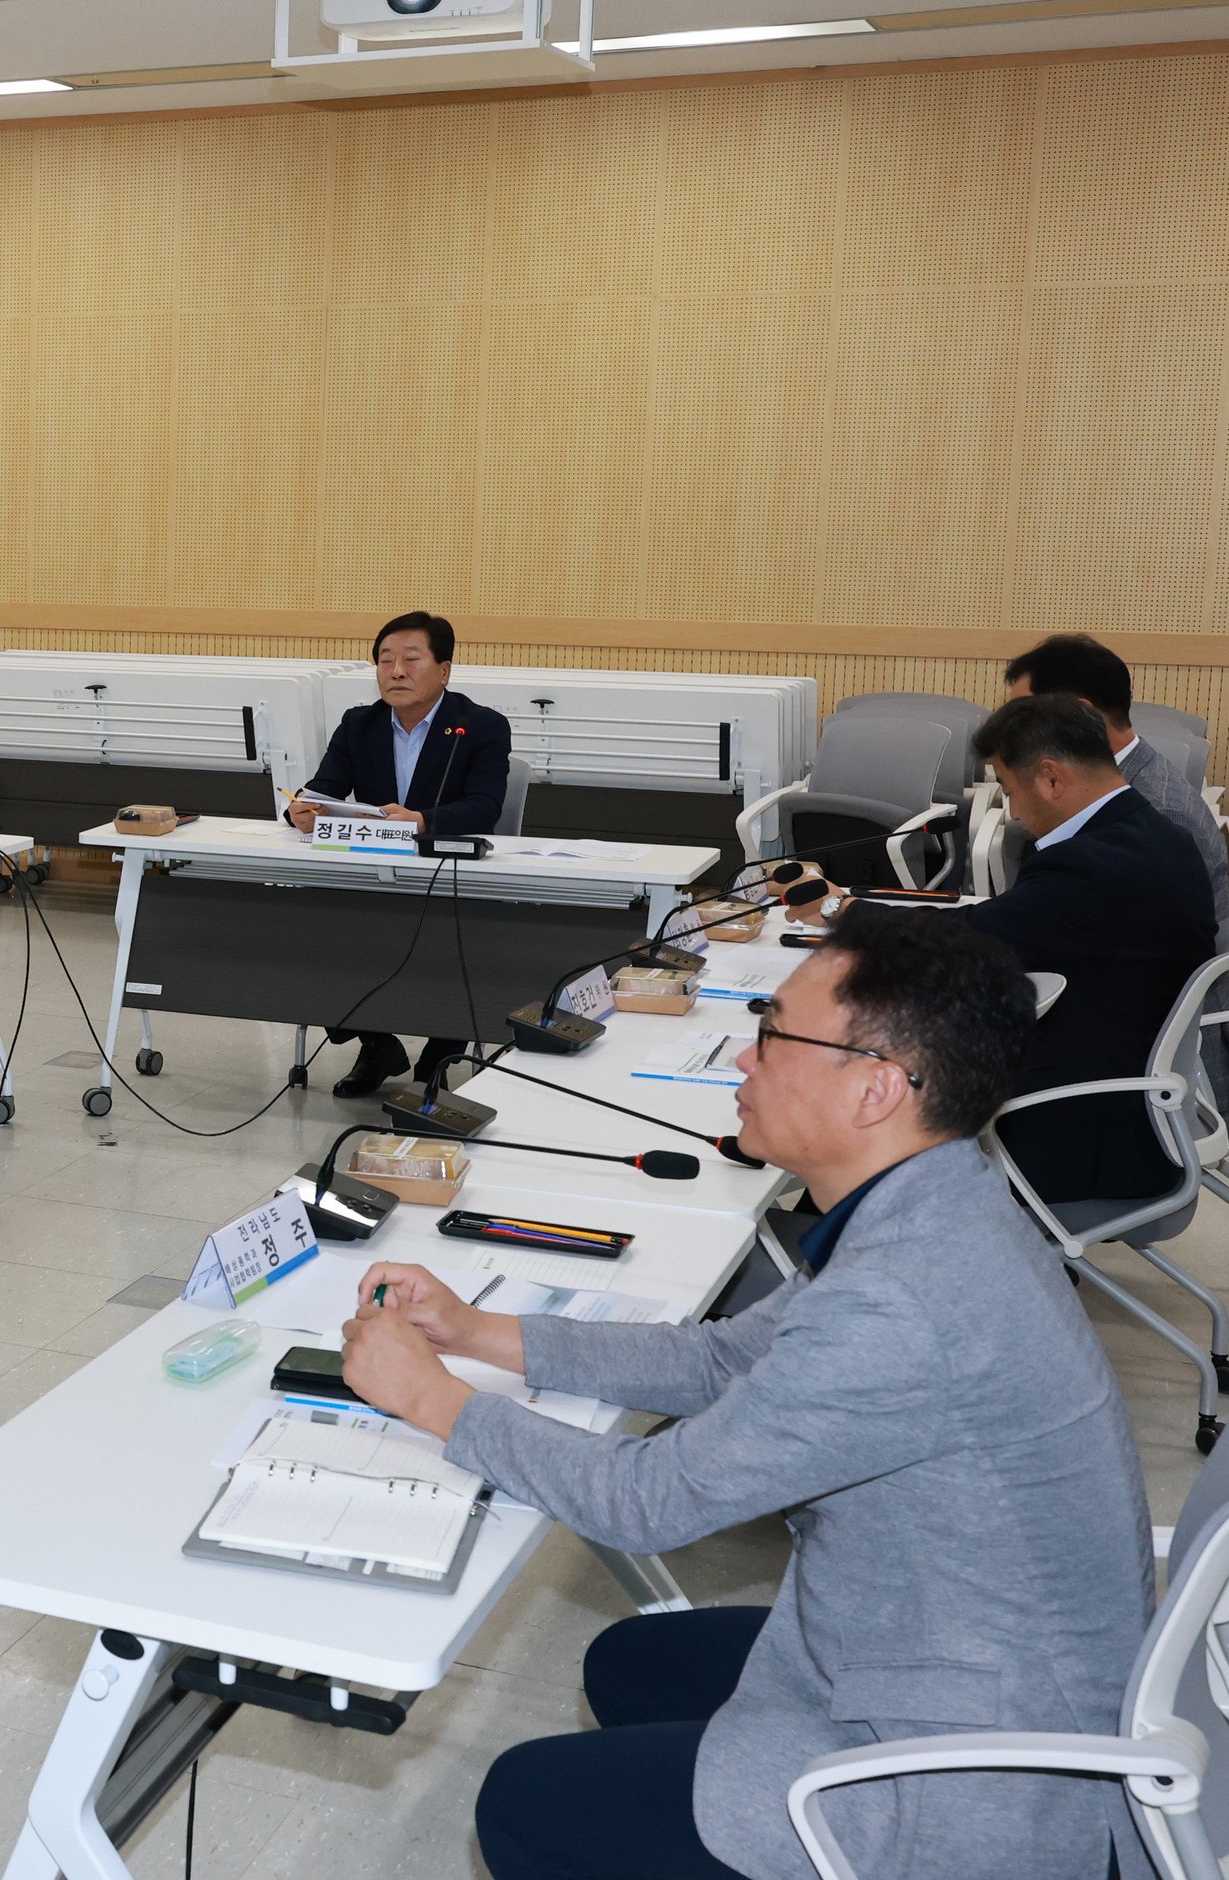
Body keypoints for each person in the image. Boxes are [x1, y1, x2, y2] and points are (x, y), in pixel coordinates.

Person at [339, 906, 1147, 1880]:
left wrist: (431, 1398)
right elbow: (725, 1362)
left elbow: (649, 1501)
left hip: (972, 1774)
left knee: (524, 1802)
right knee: (627, 1660)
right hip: (929, 1644)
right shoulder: (936, 1197)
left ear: (877, 1089)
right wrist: (475, 1333)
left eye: (771, 1036)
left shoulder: (905, 1297)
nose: (742, 1065)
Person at [962, 692, 1216, 1204]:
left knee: (898, 1106)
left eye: (1010, 791)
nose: (1012, 810)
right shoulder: (1157, 834)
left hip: (1083, 1129)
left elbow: (968, 940)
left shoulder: (1092, 864)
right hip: (1141, 1103)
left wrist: (840, 915)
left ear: (1052, 778)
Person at [286, 610, 514, 1098]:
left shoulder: (480, 727)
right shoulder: (359, 724)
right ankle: (377, 1042)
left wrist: (423, 820)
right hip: (372, 878)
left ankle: (442, 1045)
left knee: (448, 942)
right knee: (310, 931)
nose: (396, 671)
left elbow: (484, 808)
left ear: (444, 670)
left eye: (412, 659)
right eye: (385, 660)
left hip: (450, 879)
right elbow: (323, 790)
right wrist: (301, 812)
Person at [1004, 633, 1229, 1092]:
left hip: (1153, 1062)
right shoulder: (1117, 785)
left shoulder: (1156, 809)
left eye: (1024, 715)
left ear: (1082, 714)